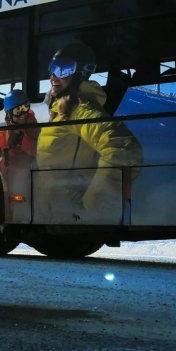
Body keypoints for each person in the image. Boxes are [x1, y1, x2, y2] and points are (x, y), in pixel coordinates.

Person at [35, 41, 142, 222]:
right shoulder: (62, 109)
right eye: (53, 68)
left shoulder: (80, 109)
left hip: (66, 211)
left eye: (63, 69)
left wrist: (93, 205)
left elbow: (125, 150)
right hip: (53, 211)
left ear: (80, 74)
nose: (53, 76)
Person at [0, 89, 38, 211]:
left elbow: (38, 150)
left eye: (25, 108)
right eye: (18, 110)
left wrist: (21, 138)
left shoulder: (33, 129)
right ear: (9, 114)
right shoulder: (1, 134)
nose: (23, 114)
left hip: (26, 180)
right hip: (7, 180)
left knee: (19, 206)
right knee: (6, 207)